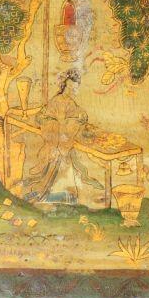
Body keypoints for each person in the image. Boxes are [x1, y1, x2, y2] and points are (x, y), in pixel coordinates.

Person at [24, 69, 102, 204]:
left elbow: (78, 115)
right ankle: (43, 194)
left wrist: (80, 118)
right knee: (54, 161)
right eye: (69, 86)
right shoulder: (56, 100)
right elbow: (45, 117)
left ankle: (64, 196)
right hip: (56, 141)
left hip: (64, 142)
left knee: (64, 166)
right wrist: (57, 127)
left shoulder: (71, 102)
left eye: (73, 88)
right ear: (64, 85)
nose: (70, 90)